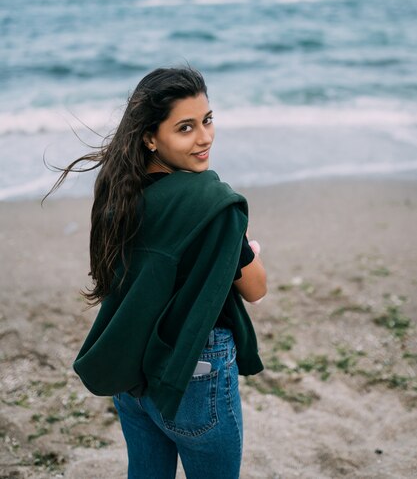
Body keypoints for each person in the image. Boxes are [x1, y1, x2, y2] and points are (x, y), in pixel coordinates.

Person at [46, 66, 267, 479]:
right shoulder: (210, 202)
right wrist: (243, 240)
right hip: (194, 372)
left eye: (207, 119)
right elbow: (256, 289)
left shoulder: (119, 193)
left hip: (131, 371)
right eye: (185, 127)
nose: (204, 137)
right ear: (150, 137)